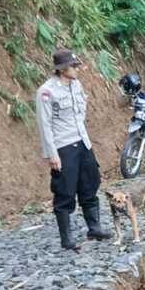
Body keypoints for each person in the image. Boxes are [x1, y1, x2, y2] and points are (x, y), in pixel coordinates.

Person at [35, 49, 110, 251]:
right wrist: (52, 154)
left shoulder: (76, 85)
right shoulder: (46, 92)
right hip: (63, 145)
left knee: (90, 184)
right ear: (61, 69)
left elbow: (81, 110)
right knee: (64, 191)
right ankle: (66, 238)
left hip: (82, 141)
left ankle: (94, 227)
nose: (76, 69)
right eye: (73, 66)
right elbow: (45, 124)